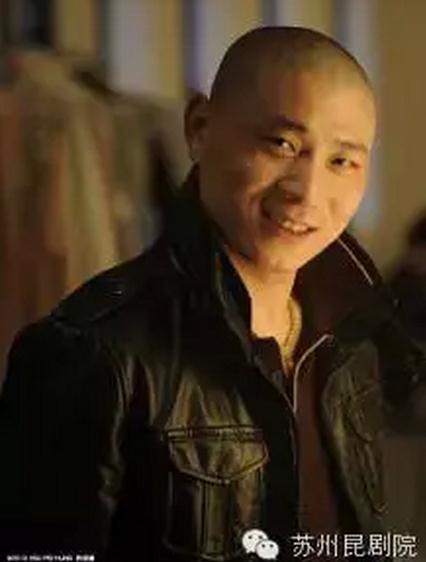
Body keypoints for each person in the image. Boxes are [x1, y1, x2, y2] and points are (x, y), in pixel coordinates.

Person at [0, 26, 425, 562]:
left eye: (342, 161)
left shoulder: (359, 340)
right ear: (199, 128)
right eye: (282, 144)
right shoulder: (92, 349)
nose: (308, 192)